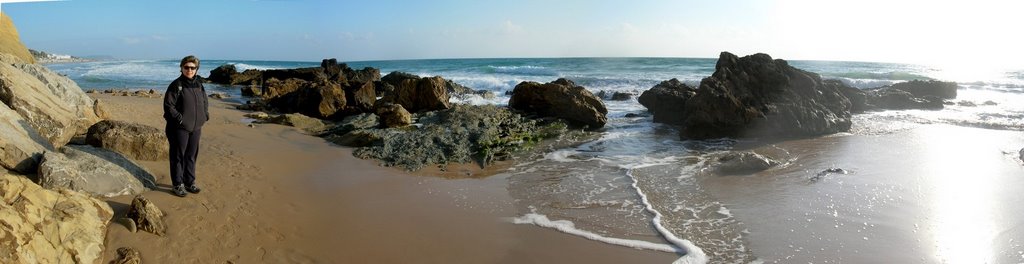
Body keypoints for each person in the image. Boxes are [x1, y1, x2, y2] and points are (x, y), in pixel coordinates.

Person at [163, 55, 209, 197]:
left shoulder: (199, 84)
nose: (189, 70)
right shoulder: (176, 85)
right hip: (179, 128)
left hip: (196, 127)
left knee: (191, 156)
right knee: (178, 156)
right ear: (181, 68)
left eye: (192, 68)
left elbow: (204, 100)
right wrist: (180, 119)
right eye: (186, 67)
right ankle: (178, 184)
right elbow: (168, 106)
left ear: (196, 69)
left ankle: (190, 182)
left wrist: (205, 115)